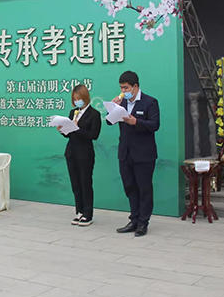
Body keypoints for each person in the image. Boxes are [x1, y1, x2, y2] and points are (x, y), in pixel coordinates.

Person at [111, 71, 160, 237]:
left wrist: (136, 122)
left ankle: (143, 223)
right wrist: (114, 108)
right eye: (121, 88)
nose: (123, 91)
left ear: (135, 86)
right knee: (130, 187)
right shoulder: (122, 103)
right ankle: (134, 219)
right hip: (125, 153)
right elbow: (110, 122)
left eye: (126, 88)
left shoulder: (150, 102)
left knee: (144, 189)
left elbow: (154, 124)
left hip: (144, 154)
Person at [58, 84, 101, 226]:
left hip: (85, 154)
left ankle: (88, 214)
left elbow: (94, 135)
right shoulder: (73, 113)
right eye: (75, 99)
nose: (77, 101)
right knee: (75, 184)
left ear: (85, 97)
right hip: (72, 152)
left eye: (79, 98)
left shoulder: (94, 114)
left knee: (85, 183)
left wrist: (76, 128)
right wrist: (62, 130)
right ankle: (79, 212)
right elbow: (69, 134)